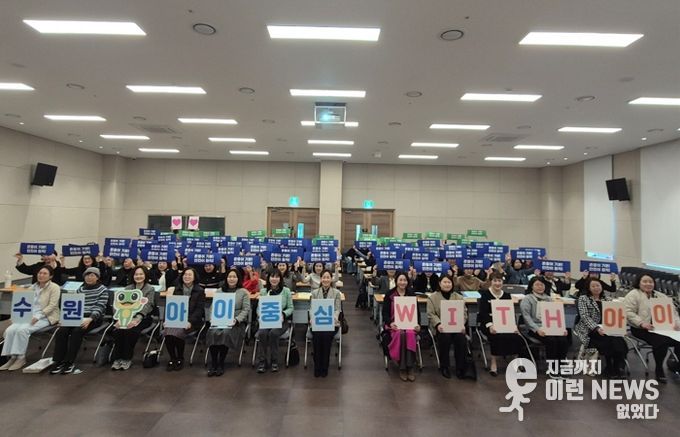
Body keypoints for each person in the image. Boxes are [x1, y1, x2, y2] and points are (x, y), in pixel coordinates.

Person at [50, 267, 109, 374]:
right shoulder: (80, 289)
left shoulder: (102, 289)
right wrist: (64, 319)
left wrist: (90, 319)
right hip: (77, 316)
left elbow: (100, 307)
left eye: (92, 275)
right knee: (62, 330)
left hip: (93, 318)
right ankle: (58, 361)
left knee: (77, 331)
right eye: (87, 275)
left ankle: (69, 362)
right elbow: (73, 305)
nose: (89, 277)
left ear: (97, 277)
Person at [0, 266, 61, 371]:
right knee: (10, 329)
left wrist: (38, 316)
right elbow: (23, 303)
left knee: (22, 330)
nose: (41, 275)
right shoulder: (32, 287)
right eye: (40, 273)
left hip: (45, 316)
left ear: (50, 276)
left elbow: (52, 305)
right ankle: (12, 358)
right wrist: (15, 317)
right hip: (29, 315)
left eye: (44, 273)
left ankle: (20, 358)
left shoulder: (54, 287)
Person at [625, 273, 680, 383]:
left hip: (662, 328)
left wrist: (677, 323)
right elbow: (628, 312)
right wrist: (641, 323)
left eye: (650, 282)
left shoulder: (661, 296)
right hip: (641, 329)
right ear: (639, 283)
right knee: (661, 340)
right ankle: (659, 369)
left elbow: (673, 313)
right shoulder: (633, 294)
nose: (648, 284)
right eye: (645, 281)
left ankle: (676, 365)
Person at [574, 278, 628, 378]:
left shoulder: (607, 299)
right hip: (589, 328)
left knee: (620, 341)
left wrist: (620, 328)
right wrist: (596, 328)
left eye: (598, 285)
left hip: (607, 327)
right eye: (593, 286)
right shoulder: (583, 299)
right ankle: (609, 366)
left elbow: (614, 316)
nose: (596, 288)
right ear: (588, 288)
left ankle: (617, 367)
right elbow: (585, 317)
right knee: (609, 340)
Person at [478, 272, 527, 376]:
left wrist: (514, 326)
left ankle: (515, 362)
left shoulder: (507, 295)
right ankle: (493, 362)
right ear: (491, 282)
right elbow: (483, 313)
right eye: (495, 281)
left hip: (505, 323)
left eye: (499, 281)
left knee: (516, 336)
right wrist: (490, 325)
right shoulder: (485, 295)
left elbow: (510, 313)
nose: (497, 283)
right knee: (496, 335)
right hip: (489, 324)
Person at [519, 276, 569, 376]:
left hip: (550, 327)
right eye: (537, 285)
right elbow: (526, 318)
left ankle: (560, 366)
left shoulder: (549, 299)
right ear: (531, 286)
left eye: (542, 285)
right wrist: (537, 329)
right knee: (551, 340)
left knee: (563, 339)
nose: (540, 287)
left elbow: (555, 316)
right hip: (535, 329)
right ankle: (552, 368)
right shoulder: (527, 299)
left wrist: (561, 329)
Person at [206, 268, 250, 376]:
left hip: (235, 323)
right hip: (219, 320)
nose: (232, 279)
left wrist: (237, 320)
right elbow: (212, 307)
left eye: (234, 277)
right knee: (212, 332)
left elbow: (246, 309)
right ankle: (214, 363)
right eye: (230, 276)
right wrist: (212, 318)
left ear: (238, 279)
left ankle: (221, 363)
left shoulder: (243, 292)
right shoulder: (219, 291)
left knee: (225, 333)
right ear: (226, 278)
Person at [110, 266, 156, 370]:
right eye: (136, 274)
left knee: (130, 331)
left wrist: (137, 318)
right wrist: (119, 319)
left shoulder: (150, 289)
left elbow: (148, 305)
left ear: (145, 275)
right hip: (125, 317)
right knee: (118, 331)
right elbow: (118, 304)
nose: (138, 276)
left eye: (141, 274)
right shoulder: (128, 288)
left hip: (143, 318)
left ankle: (127, 359)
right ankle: (117, 358)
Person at [163, 267, 205, 371]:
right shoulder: (176, 289)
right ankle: (172, 358)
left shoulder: (200, 291)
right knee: (167, 332)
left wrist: (190, 321)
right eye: (185, 274)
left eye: (190, 275)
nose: (187, 277)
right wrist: (166, 320)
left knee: (178, 332)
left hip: (192, 321)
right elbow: (171, 306)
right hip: (176, 318)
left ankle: (180, 358)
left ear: (194, 277)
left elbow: (199, 310)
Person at [426, 275, 468, 379]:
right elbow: (431, 314)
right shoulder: (433, 297)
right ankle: (444, 366)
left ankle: (460, 367)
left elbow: (464, 313)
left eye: (449, 282)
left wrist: (462, 324)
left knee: (461, 338)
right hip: (441, 327)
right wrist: (438, 324)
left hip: (456, 327)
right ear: (440, 284)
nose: (447, 284)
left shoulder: (458, 297)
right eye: (444, 282)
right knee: (445, 337)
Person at [382, 272, 420, 382]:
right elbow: (385, 314)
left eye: (405, 280)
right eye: (400, 280)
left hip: (409, 325)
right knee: (400, 334)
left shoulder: (411, 294)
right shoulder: (390, 294)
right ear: (396, 281)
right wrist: (390, 323)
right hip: (395, 325)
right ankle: (402, 367)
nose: (403, 282)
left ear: (408, 282)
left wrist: (418, 324)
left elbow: (417, 313)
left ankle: (410, 366)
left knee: (409, 334)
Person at [255, 269, 293, 373]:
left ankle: (274, 360)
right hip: (266, 320)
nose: (274, 279)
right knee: (262, 333)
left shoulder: (286, 291)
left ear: (280, 279)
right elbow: (258, 308)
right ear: (268, 278)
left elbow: (290, 308)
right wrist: (260, 315)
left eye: (277, 277)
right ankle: (262, 361)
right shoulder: (264, 291)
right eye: (272, 276)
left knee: (273, 333)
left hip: (281, 321)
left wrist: (283, 314)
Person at [310, 269, 342, 377]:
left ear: (331, 279)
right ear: (321, 279)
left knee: (326, 336)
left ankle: (324, 366)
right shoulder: (315, 293)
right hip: (317, 322)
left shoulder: (336, 293)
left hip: (331, 323)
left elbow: (337, 309)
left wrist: (334, 317)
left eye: (328, 277)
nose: (326, 280)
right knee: (317, 336)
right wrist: (312, 318)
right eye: (324, 277)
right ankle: (317, 366)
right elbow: (311, 309)